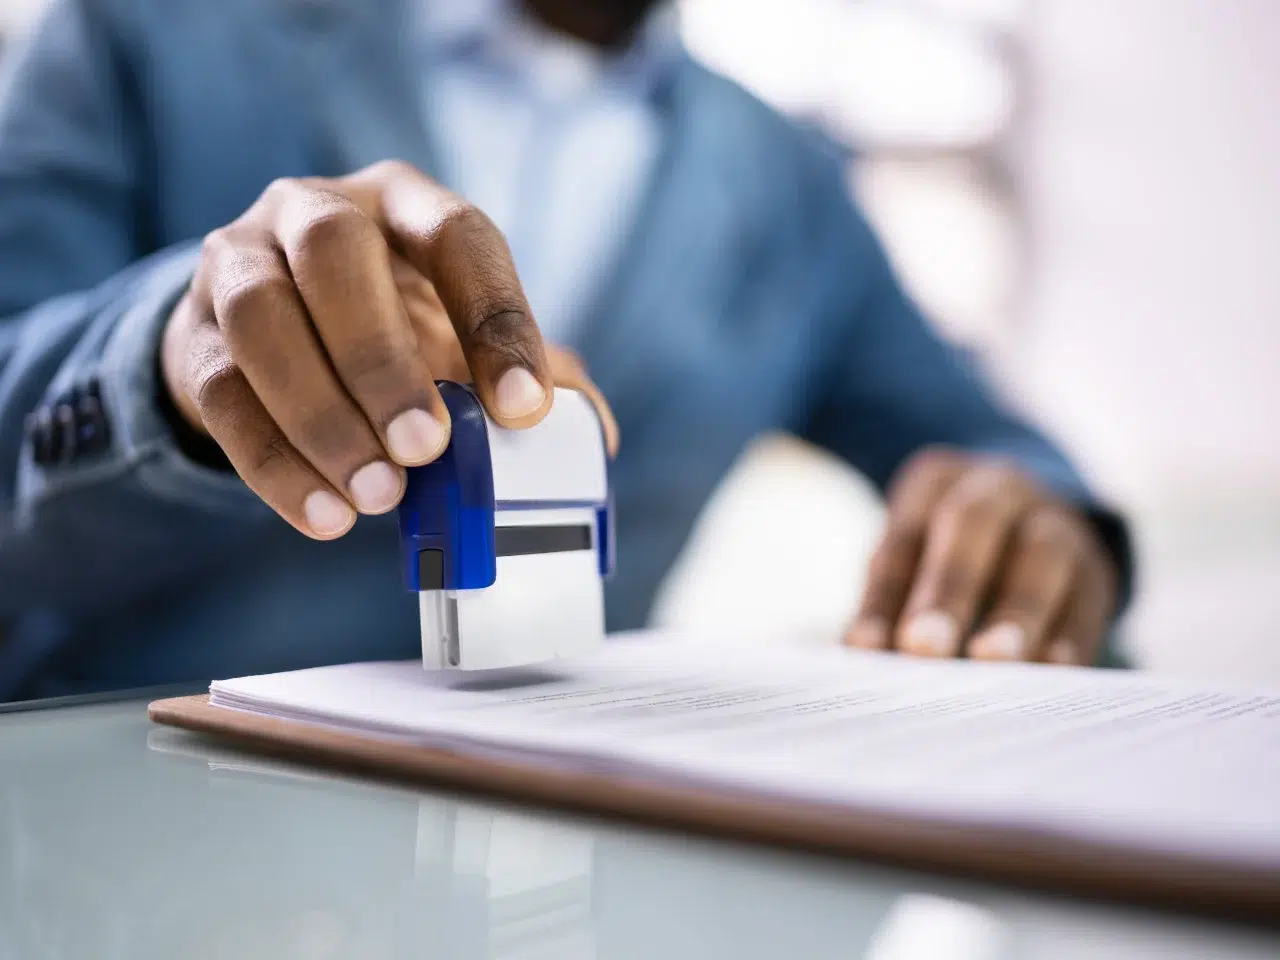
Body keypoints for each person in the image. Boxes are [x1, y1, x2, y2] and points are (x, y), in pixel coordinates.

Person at [0, 0, 1130, 699]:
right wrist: (161, 363)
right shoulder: (144, 27)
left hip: (569, 865)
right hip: (130, 824)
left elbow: (981, 433)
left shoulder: (789, 179)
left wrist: (1041, 513)